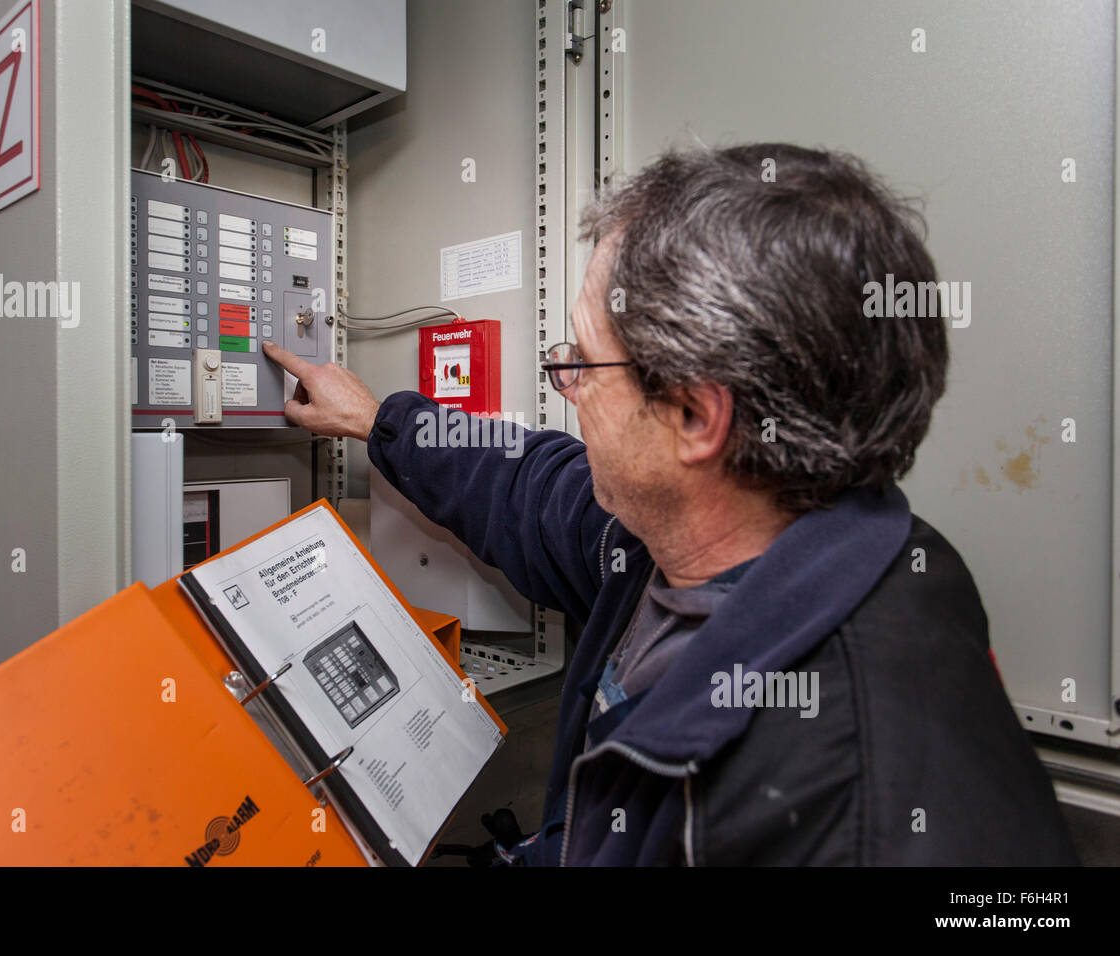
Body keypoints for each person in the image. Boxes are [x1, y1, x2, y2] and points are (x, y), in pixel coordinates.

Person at [262, 144, 1078, 866]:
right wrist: (377, 420)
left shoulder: (853, 804)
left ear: (694, 417)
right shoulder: (688, 540)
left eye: (580, 362)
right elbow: (528, 486)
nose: (568, 389)